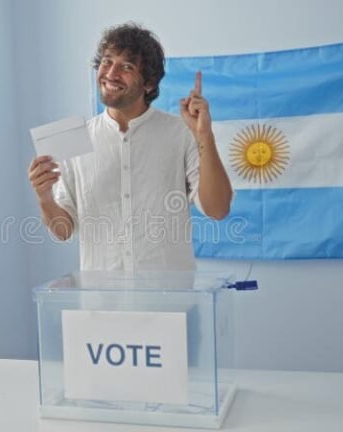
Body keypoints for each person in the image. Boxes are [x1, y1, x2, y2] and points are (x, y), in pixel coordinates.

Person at [27, 22, 232, 271]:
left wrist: (204, 135)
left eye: (127, 66)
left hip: (168, 300)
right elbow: (63, 230)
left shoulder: (181, 133)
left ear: (149, 84)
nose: (111, 73)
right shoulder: (75, 139)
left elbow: (218, 209)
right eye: (107, 61)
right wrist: (44, 197)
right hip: (100, 302)